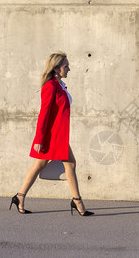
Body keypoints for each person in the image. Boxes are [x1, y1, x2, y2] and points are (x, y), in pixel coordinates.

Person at [9, 52, 94, 216]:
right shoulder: (50, 86)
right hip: (51, 136)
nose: (69, 69)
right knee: (66, 164)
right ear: (55, 68)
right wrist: (39, 139)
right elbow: (44, 114)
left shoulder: (60, 85)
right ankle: (77, 202)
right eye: (65, 66)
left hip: (58, 135)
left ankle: (20, 196)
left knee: (47, 165)